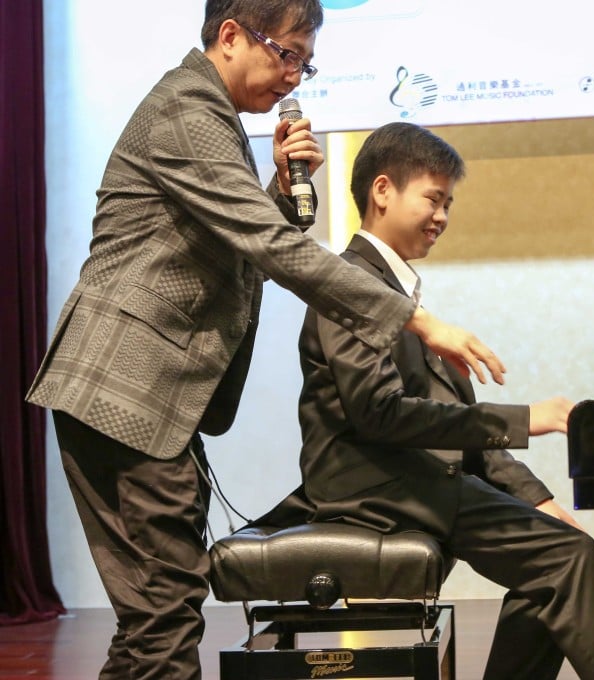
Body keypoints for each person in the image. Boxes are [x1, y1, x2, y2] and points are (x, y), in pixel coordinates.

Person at [25, 3, 506, 678]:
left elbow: (233, 246)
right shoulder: (189, 112)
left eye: (304, 63)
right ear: (231, 36)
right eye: (287, 54)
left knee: (151, 622)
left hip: (131, 394)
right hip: (126, 387)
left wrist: (282, 190)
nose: (293, 76)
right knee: (163, 614)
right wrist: (413, 318)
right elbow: (272, 248)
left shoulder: (207, 115)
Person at [258, 121, 594, 679]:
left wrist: (534, 498)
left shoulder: (395, 292)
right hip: (373, 486)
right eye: (432, 198)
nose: (442, 216)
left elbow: (451, 429)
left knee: (560, 561)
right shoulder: (349, 283)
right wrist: (530, 419)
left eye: (448, 202)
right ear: (382, 191)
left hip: (410, 477)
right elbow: (381, 416)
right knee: (572, 561)